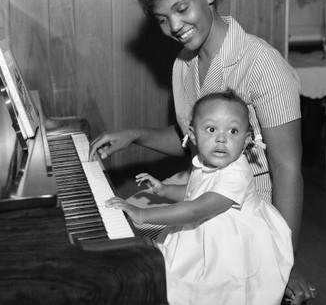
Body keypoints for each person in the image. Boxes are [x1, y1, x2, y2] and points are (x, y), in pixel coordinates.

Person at [89, 0, 316, 304]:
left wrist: (284, 258)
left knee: (143, 263)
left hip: (245, 216)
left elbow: (287, 168)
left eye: (181, 8)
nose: (174, 27)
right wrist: (134, 136)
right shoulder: (184, 64)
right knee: (120, 235)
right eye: (162, 19)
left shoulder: (264, 65)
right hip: (200, 195)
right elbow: (189, 139)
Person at [107, 90, 294, 305]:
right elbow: (195, 191)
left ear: (246, 139)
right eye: (211, 129)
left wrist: (142, 214)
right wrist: (165, 190)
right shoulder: (203, 162)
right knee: (187, 283)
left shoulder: (237, 175)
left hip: (230, 244)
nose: (222, 138)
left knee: (224, 292)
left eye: (233, 131)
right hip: (205, 230)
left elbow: (197, 209)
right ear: (193, 135)